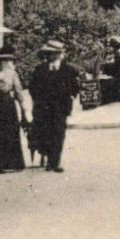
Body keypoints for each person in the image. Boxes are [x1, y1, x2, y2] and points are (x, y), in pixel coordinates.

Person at [27, 41, 81, 173]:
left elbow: (75, 87)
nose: (50, 55)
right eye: (48, 53)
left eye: (52, 53)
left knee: (58, 133)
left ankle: (54, 162)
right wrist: (38, 100)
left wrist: (71, 97)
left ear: (58, 54)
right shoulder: (40, 69)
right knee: (46, 133)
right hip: (43, 107)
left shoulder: (69, 69)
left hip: (61, 107)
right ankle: (49, 158)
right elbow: (32, 87)